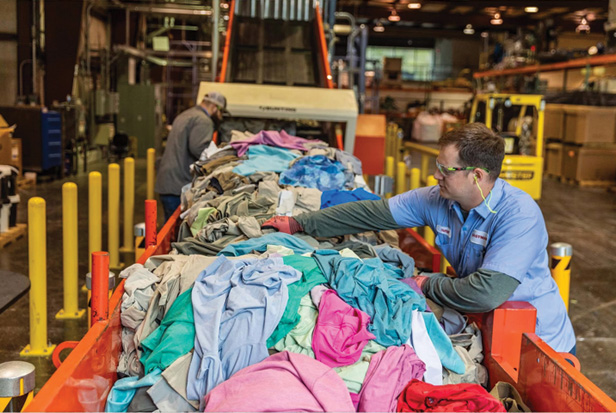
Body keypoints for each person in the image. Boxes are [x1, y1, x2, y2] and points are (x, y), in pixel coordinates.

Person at [262, 123, 575, 353]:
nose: (435, 175)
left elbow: (486, 293)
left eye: (445, 169)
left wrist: (428, 284)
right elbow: (372, 214)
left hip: (540, 346)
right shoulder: (438, 199)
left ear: (476, 176)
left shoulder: (518, 215)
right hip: (488, 329)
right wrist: (299, 223)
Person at [155, 92, 229, 221]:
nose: (220, 117)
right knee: (177, 233)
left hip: (168, 182)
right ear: (214, 107)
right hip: (178, 186)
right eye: (220, 112)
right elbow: (200, 149)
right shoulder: (203, 120)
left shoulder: (186, 114)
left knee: (169, 227)